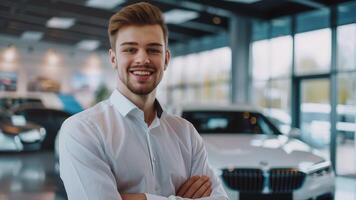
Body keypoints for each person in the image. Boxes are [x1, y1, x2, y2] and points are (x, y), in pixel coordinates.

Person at [58, 2, 228, 200]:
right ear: (113, 59)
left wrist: (137, 198)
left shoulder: (186, 133)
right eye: (130, 50)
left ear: (166, 59)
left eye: (153, 50)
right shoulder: (82, 130)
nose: (142, 59)